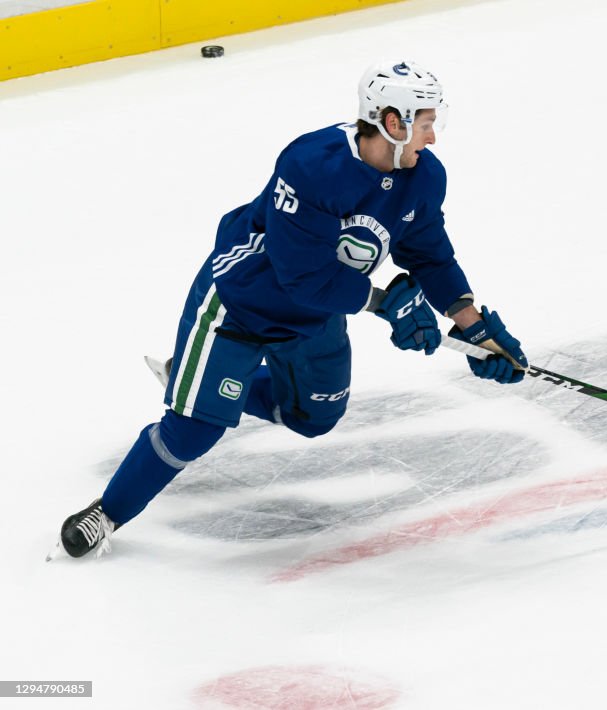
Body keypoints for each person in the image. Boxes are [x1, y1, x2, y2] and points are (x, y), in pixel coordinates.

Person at [53, 60, 528, 559]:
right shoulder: (312, 165)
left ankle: (199, 382)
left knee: (313, 415)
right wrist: (386, 303)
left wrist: (474, 329)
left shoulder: (423, 177)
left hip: (316, 316)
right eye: (426, 124)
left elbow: (429, 252)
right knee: (194, 431)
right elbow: (301, 276)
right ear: (394, 123)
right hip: (239, 305)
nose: (432, 138)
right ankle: (108, 511)